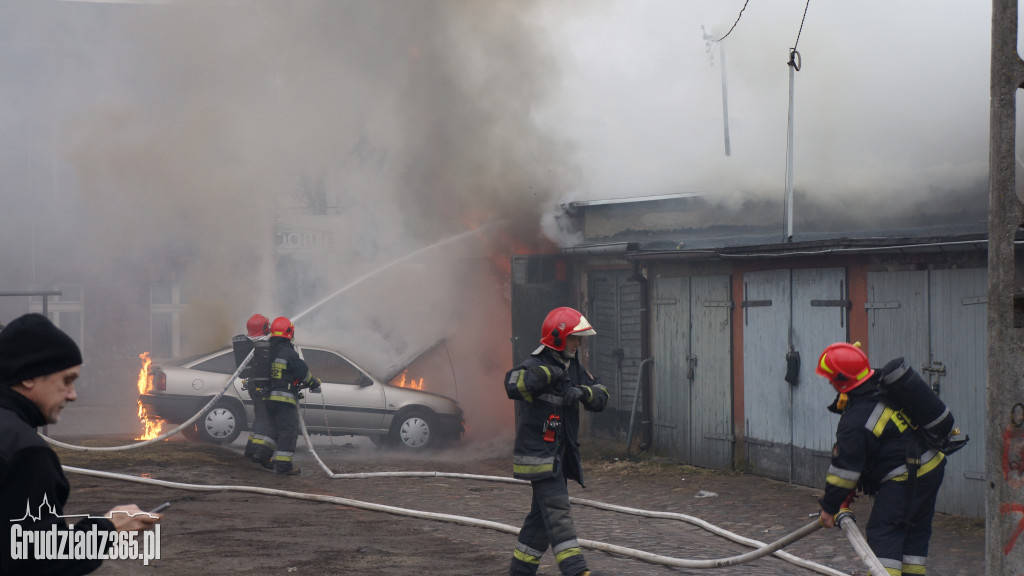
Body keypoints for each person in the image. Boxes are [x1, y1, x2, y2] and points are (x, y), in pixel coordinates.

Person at [0, 313, 161, 574]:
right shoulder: (26, 453)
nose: (73, 395)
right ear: (27, 377)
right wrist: (110, 528)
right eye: (66, 380)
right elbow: (37, 559)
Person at [816, 342, 946, 576]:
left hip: (905, 475)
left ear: (840, 381)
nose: (828, 383)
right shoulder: (880, 384)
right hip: (931, 465)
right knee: (914, 531)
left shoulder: (854, 420)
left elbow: (844, 469)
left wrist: (829, 508)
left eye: (830, 379)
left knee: (884, 532)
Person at [504, 306, 610, 576]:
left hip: (559, 457)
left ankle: (520, 571)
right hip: (539, 457)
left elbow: (602, 394)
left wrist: (584, 393)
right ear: (559, 337)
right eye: (574, 338)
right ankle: (577, 570)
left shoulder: (574, 368)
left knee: (539, 523)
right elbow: (512, 384)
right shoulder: (536, 365)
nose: (579, 344)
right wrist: (549, 374)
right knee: (557, 513)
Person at [264, 316, 320, 475]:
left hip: (269, 400)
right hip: (284, 400)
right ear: (289, 333)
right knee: (288, 432)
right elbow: (303, 373)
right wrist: (313, 383)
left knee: (274, 431)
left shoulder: (268, 351)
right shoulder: (288, 352)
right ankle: (283, 467)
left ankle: (263, 457)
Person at [234, 313, 275, 468]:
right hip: (263, 388)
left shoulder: (249, 343)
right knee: (267, 421)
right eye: (268, 325)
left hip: (254, 387)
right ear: (264, 327)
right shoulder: (263, 343)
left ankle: (250, 451)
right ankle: (260, 454)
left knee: (260, 419)